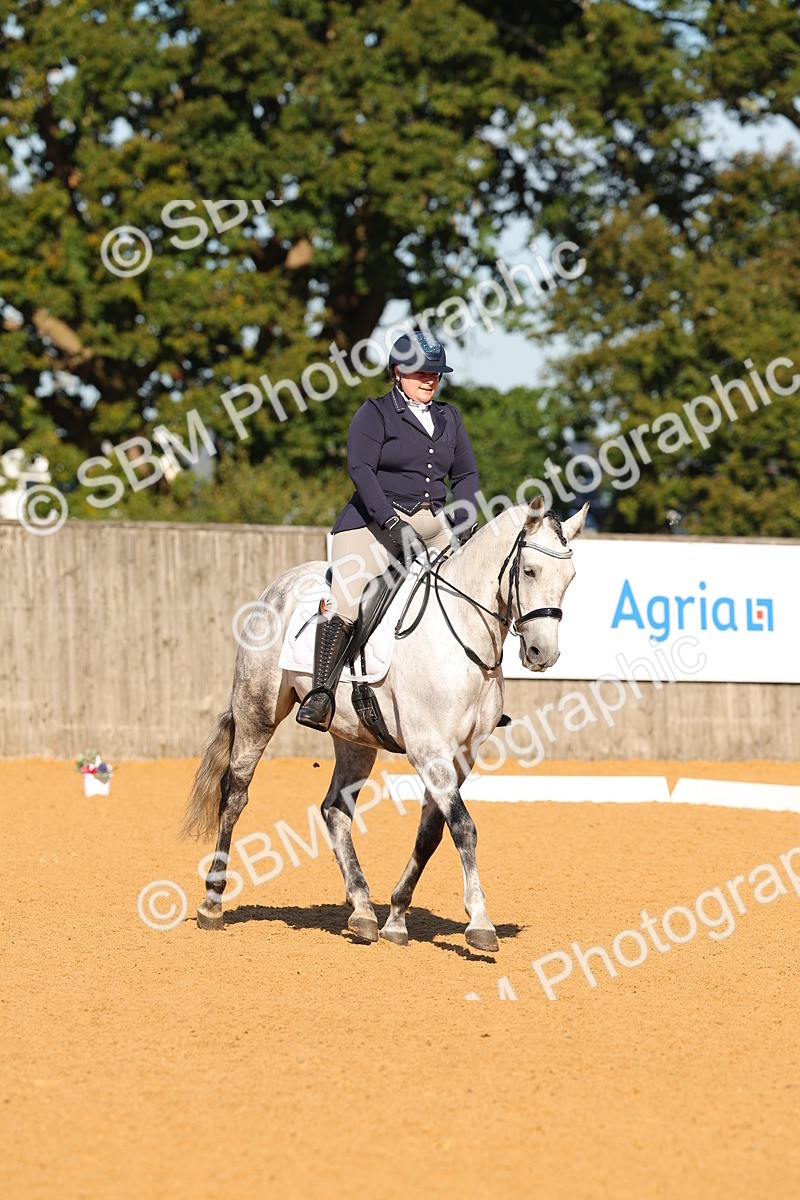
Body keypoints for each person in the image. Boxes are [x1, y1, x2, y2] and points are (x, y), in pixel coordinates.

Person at [296, 329, 481, 731]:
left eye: (436, 373)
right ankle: (321, 694)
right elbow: (360, 470)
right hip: (371, 522)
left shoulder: (449, 416)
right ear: (398, 372)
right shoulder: (375, 413)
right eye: (420, 372)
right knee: (348, 596)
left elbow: (465, 473)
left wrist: (465, 516)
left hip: (432, 523)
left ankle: (476, 697)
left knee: (473, 586)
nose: (429, 379)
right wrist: (391, 521)